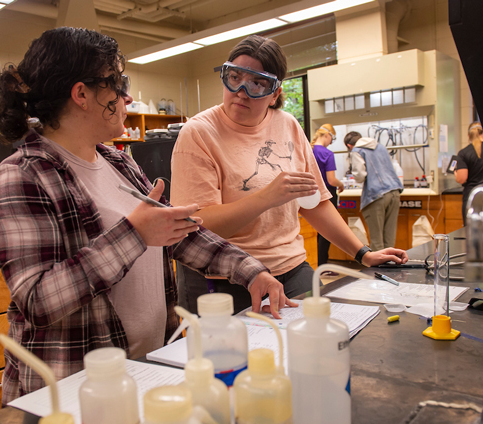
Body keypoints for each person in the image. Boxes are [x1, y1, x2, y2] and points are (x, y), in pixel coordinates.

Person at [0, 27, 294, 404]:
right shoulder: (22, 174)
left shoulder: (117, 162)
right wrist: (134, 234)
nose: (126, 95)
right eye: (116, 83)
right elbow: (39, 299)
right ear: (81, 94)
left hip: (146, 372)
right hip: (75, 391)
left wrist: (250, 270)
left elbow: (179, 230)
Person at [170, 35, 408, 314]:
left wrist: (363, 253)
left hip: (291, 268)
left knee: (324, 335)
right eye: (234, 77)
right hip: (226, 277)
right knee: (245, 357)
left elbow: (316, 203)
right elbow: (198, 226)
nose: (242, 91)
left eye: (257, 83)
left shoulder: (288, 125)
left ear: (275, 93)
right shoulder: (199, 133)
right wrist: (266, 197)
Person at [343, 131, 404, 251]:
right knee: (389, 239)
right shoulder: (380, 146)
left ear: (349, 146)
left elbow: (360, 176)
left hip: (376, 195)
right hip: (395, 191)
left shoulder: (357, 150)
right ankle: (390, 267)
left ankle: (379, 269)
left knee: (377, 242)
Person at [311, 124, 345, 267]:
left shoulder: (308, 151)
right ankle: (323, 266)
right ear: (327, 135)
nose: (331, 142)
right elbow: (331, 180)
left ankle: (316, 263)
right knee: (328, 232)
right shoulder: (327, 153)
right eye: (332, 138)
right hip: (326, 195)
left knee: (316, 232)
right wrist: (341, 184)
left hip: (311, 195)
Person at [454, 121, 483, 225]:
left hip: (473, 197)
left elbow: (461, 178)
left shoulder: (464, 153)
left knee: (472, 230)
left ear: (468, 136)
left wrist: (456, 173)